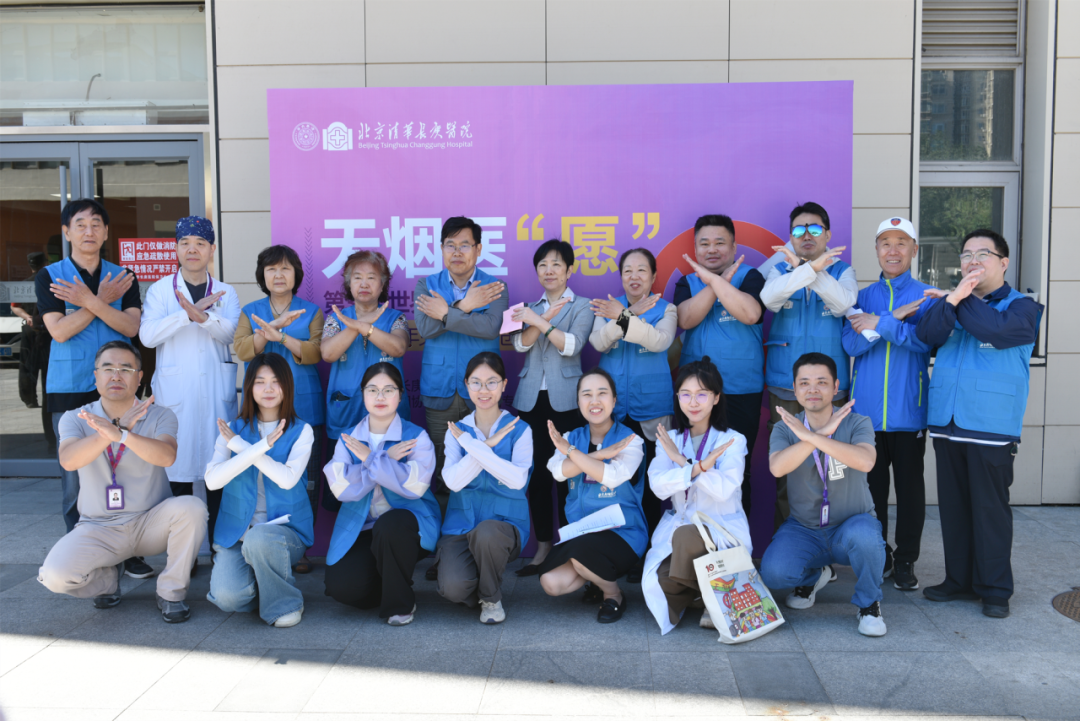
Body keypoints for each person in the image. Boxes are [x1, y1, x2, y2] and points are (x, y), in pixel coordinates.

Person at [915, 229, 1042, 619]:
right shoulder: (952, 302)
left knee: (989, 510)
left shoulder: (1024, 307)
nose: (973, 260)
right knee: (954, 508)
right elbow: (926, 334)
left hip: (991, 426)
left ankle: (995, 589)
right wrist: (951, 301)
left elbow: (996, 331)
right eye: (967, 254)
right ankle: (959, 581)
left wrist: (959, 297)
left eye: (983, 253)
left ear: (1004, 262)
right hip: (947, 421)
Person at [37, 341, 207, 623]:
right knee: (55, 576)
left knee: (192, 508)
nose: (116, 375)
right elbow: (69, 461)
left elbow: (167, 456)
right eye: (108, 368)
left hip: (150, 521)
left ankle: (170, 593)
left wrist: (124, 436)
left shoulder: (160, 414)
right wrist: (114, 430)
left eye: (126, 369)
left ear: (139, 377)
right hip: (98, 527)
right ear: (96, 376)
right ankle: (107, 581)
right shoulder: (76, 418)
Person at [36, 199, 153, 579]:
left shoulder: (124, 276)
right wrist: (101, 301)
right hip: (70, 386)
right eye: (81, 224)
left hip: (119, 387)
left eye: (96, 224)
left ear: (105, 233)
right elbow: (59, 330)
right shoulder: (51, 276)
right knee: (75, 475)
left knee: (126, 467)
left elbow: (131, 327)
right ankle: (81, 551)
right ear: (67, 232)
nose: (89, 231)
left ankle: (129, 549)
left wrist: (86, 301)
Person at [760, 352, 885, 637]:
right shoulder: (785, 427)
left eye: (821, 382)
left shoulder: (857, 422)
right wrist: (813, 435)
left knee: (866, 536)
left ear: (836, 386)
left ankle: (869, 604)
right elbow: (777, 468)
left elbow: (866, 461)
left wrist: (816, 437)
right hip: (805, 529)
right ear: (794, 389)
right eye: (804, 383)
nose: (812, 389)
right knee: (774, 573)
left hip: (850, 525)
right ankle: (815, 576)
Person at [841, 217, 934, 591]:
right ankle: (881, 554)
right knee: (872, 493)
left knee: (910, 493)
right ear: (877, 250)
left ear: (914, 249)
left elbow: (924, 341)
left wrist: (877, 324)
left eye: (901, 243)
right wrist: (892, 319)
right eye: (885, 243)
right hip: (866, 416)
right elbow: (851, 344)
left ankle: (907, 559)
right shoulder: (861, 297)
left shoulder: (927, 296)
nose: (893, 251)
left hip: (909, 412)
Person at [139, 217, 240, 556]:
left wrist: (204, 318)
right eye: (185, 243)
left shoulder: (226, 292)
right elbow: (148, 335)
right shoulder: (160, 290)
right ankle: (183, 555)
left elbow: (230, 334)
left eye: (200, 243)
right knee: (177, 475)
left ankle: (221, 550)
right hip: (176, 395)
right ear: (176, 249)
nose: (192, 249)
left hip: (215, 395)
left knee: (218, 473)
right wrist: (187, 314)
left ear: (212, 249)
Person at [761, 202, 856, 530]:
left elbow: (843, 303)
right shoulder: (780, 270)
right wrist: (803, 270)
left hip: (831, 390)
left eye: (814, 229)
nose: (806, 235)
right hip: (786, 386)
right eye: (799, 230)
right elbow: (769, 300)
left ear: (827, 234)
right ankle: (789, 543)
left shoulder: (843, 271)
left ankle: (830, 542)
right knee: (787, 468)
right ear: (790, 236)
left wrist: (814, 271)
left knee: (832, 469)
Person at [323, 363, 440, 626]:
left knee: (391, 525)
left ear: (400, 395)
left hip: (408, 526)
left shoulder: (416, 437)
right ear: (362, 394)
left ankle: (400, 605)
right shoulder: (349, 439)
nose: (380, 396)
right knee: (343, 589)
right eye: (372, 389)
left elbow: (414, 486)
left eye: (389, 390)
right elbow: (341, 488)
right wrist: (385, 460)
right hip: (363, 527)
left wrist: (368, 460)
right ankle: (392, 584)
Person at [204, 353, 315, 628]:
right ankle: (267, 586)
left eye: (276, 381)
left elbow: (286, 479)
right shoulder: (232, 429)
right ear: (249, 387)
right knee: (227, 598)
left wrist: (243, 447)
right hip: (238, 533)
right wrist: (254, 446)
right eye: (260, 381)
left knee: (261, 538)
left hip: (284, 533)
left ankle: (285, 603)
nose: (268, 389)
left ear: (287, 386)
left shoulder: (302, 431)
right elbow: (212, 481)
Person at [643, 356, 751, 634]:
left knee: (687, 535)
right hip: (680, 530)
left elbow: (724, 489)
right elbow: (658, 486)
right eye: (686, 394)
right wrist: (698, 468)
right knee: (657, 584)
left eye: (702, 394)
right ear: (677, 397)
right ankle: (707, 594)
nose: (693, 402)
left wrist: (682, 462)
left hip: (720, 529)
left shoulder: (732, 440)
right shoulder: (669, 439)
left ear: (716, 398)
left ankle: (709, 596)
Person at [235, 245, 323, 571]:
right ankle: (259, 540)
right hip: (263, 407)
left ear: (296, 274)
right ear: (263, 276)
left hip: (303, 403)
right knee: (261, 473)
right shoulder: (250, 311)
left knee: (305, 480)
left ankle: (300, 546)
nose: (279, 275)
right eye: (271, 269)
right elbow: (243, 350)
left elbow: (315, 352)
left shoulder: (311, 311)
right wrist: (271, 328)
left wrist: (280, 337)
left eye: (285, 268)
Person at [589, 247, 675, 579]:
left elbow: (659, 341)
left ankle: (647, 554)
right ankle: (616, 551)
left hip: (650, 411)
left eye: (641, 270)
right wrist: (625, 314)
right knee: (615, 484)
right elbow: (599, 343)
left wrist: (623, 317)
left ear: (654, 276)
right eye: (627, 270)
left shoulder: (668, 309)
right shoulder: (605, 307)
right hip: (612, 411)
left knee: (650, 487)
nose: (634, 276)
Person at [511, 239, 594, 576]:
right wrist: (537, 317)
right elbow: (520, 344)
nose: (549, 270)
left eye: (556, 264)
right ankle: (544, 546)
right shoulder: (527, 307)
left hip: (567, 402)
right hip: (531, 402)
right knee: (537, 479)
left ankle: (569, 547)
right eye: (543, 265)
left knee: (567, 476)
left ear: (569, 270)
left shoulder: (583, 306)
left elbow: (572, 345)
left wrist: (541, 321)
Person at [540, 368, 647, 623]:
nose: (594, 401)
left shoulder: (631, 441)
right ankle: (596, 580)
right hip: (582, 532)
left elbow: (611, 476)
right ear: (578, 402)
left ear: (614, 400)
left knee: (580, 554)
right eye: (587, 394)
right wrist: (598, 455)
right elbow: (557, 472)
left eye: (602, 393)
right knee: (551, 582)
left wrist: (571, 453)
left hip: (623, 534)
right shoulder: (571, 437)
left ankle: (613, 594)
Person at [676, 215, 767, 516]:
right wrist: (717, 283)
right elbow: (686, 319)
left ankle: (737, 538)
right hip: (696, 395)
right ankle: (693, 532)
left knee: (737, 469)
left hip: (741, 389)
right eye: (704, 244)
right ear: (695, 249)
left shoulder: (751, 277)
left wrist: (715, 280)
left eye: (720, 242)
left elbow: (751, 314)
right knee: (692, 464)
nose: (712, 249)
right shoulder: (686, 282)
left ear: (734, 246)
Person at [414, 216, 508, 492]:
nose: (457, 252)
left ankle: (479, 519)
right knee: (444, 467)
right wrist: (465, 305)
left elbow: (490, 328)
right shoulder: (426, 285)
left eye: (464, 245)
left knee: (485, 461)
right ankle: (448, 520)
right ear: (441, 248)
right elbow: (426, 329)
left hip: (483, 390)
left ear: (478, 249)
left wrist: (445, 313)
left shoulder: (494, 286)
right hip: (439, 386)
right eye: (450, 245)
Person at [438, 352, 533, 623]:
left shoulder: (520, 429)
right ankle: (480, 586)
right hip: (461, 525)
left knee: (488, 532)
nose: (483, 390)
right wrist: (486, 446)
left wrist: (474, 448)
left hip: (503, 526)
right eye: (476, 383)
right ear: (466, 385)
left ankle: (491, 599)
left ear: (504, 385)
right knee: (452, 589)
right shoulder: (457, 431)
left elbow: (517, 480)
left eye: (491, 382)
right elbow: (453, 481)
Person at [321, 250, 409, 511]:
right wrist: (355, 325)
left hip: (387, 416)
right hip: (346, 412)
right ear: (349, 283)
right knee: (345, 488)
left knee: (389, 490)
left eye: (372, 277)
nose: (364, 283)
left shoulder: (395, 318)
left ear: (382, 285)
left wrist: (366, 327)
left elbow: (398, 347)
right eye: (357, 277)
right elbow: (328, 353)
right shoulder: (336, 318)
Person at [13, 252, 56, 451]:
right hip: (46, 333)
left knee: (27, 369)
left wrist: (27, 317)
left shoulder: (24, 284)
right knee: (47, 379)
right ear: (45, 263)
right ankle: (51, 438)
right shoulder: (50, 282)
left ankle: (29, 399)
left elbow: (15, 307)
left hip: (30, 330)